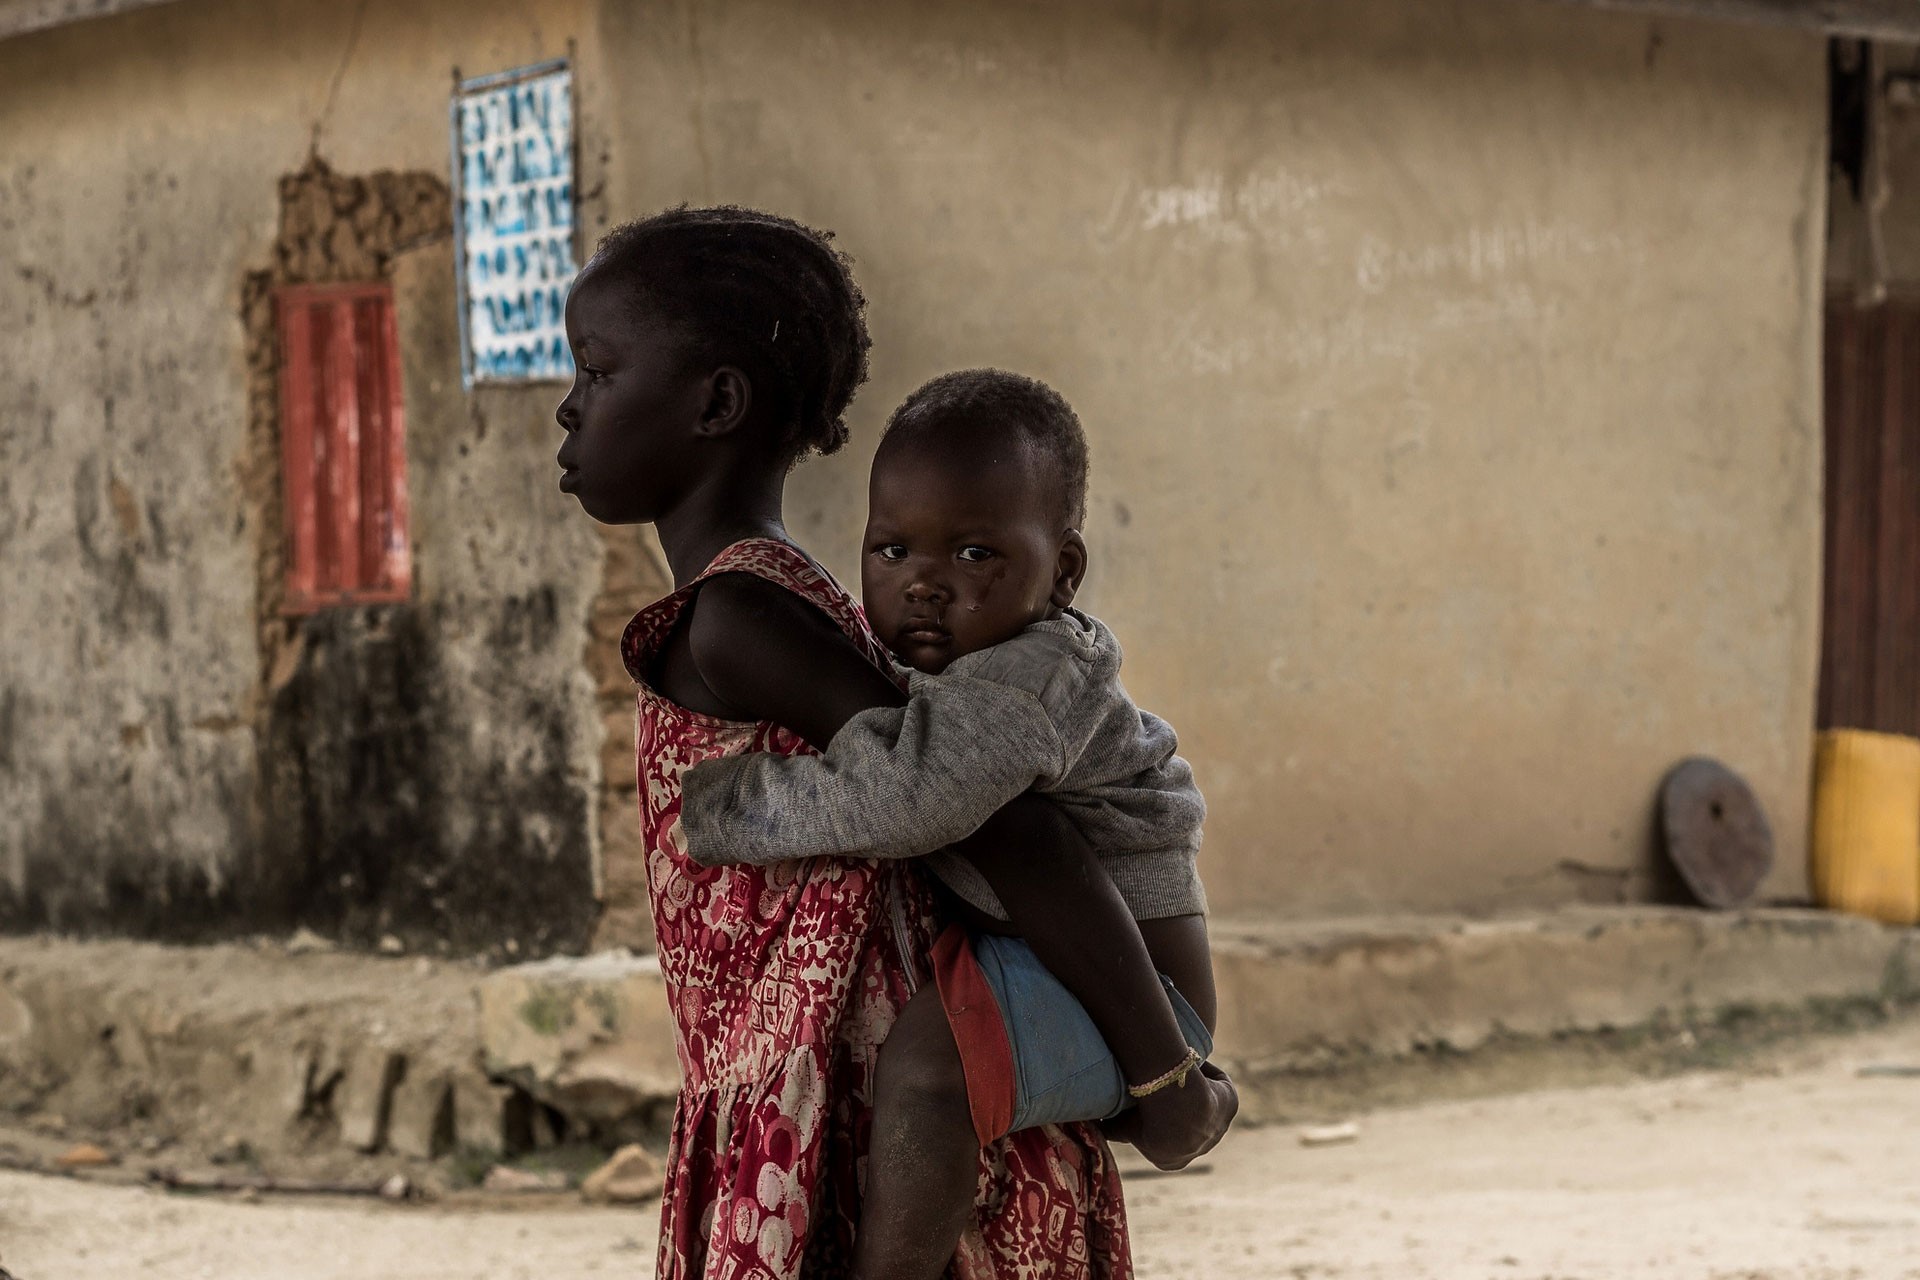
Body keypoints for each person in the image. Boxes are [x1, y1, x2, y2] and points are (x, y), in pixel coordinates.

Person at [554, 207, 1151, 1278]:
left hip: (866, 1133)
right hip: (837, 1116)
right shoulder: (792, 599)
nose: (569, 408)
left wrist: (1164, 1075)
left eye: (597, 374)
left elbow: (1011, 827)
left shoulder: (744, 617)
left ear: (717, 403)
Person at [680, 368, 1236, 1279]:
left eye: (974, 556)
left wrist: (727, 805)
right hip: (1048, 956)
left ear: (1062, 573)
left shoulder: (1024, 680)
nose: (925, 586)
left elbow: (911, 797)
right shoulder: (969, 664)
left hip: (1138, 980)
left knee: (929, 1071)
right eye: (892, 552)